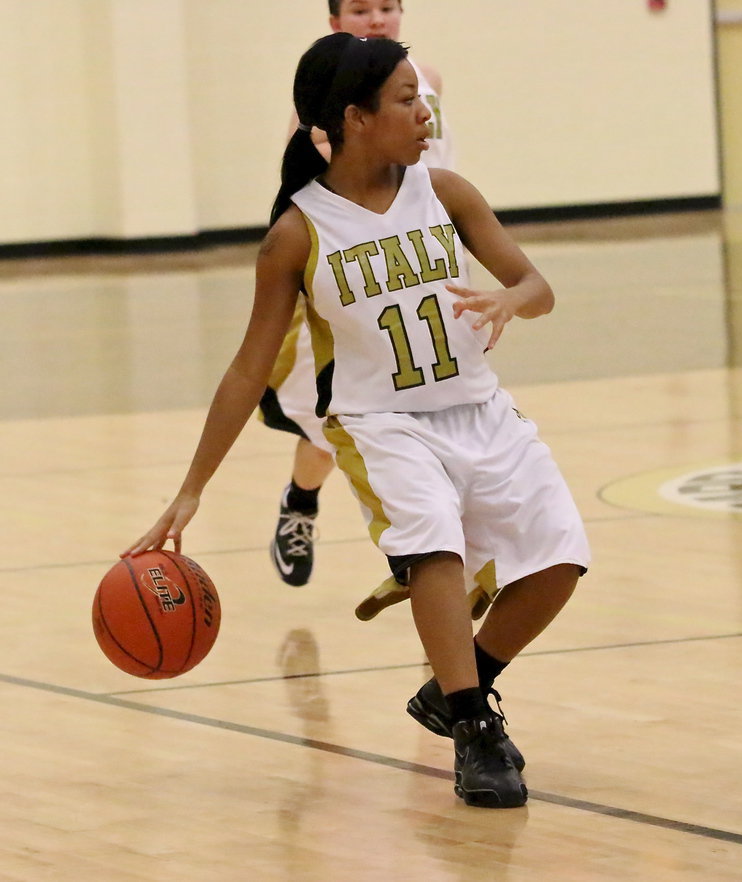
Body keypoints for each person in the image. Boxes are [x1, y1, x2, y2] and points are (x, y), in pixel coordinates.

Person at [125, 33, 590, 809]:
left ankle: (456, 687)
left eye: (421, 96)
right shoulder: (298, 234)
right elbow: (248, 369)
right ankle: (474, 728)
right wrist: (190, 489)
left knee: (559, 561)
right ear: (355, 117)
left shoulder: (447, 192)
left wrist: (513, 298)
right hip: (381, 421)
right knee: (432, 546)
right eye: (406, 99)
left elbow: (535, 283)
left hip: (481, 408)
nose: (423, 111)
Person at [261, 0, 453, 587]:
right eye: (361, 9)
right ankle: (304, 503)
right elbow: (301, 195)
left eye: (387, 7)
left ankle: (426, 549)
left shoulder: (430, 84)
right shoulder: (319, 101)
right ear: (336, 22)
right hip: (349, 279)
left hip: (421, 273)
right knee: (338, 424)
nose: (376, 20)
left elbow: (440, 176)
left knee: (431, 420)